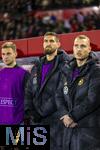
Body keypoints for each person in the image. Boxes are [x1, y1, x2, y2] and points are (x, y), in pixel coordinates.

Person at [25, 32, 70, 150]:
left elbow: (60, 93)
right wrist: (30, 111)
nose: (48, 44)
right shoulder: (36, 67)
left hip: (55, 122)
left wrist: (41, 112)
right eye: (46, 41)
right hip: (36, 121)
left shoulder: (65, 66)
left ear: (58, 44)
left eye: (51, 41)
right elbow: (28, 91)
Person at [56, 35, 100, 150]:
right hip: (68, 130)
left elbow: (92, 100)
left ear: (89, 49)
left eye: (83, 46)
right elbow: (58, 95)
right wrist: (64, 115)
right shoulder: (67, 70)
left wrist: (72, 116)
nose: (79, 49)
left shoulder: (96, 71)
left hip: (88, 134)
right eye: (76, 46)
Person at [0, 41, 30, 146]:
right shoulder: (0, 74)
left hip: (18, 122)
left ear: (15, 54)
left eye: (8, 53)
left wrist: (25, 116)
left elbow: (29, 98)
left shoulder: (24, 74)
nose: (5, 57)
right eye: (3, 54)